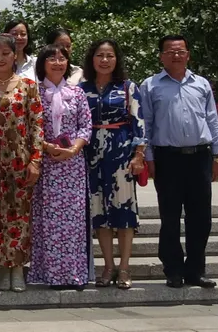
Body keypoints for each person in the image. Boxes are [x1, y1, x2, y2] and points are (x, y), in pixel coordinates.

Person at [141, 34, 218, 289]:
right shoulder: (150, 86)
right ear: (161, 56)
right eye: (170, 51)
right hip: (167, 158)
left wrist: (217, 154)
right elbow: (147, 125)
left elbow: (212, 120)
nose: (176, 55)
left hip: (199, 155)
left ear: (188, 54)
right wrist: (150, 159)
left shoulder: (201, 84)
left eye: (180, 51)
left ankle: (196, 270)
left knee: (201, 217)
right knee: (170, 216)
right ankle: (173, 269)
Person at [0, 34, 44, 292]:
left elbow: (37, 125)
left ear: (15, 55)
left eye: (5, 53)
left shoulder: (28, 86)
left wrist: (36, 161)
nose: (1, 58)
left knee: (19, 216)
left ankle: (17, 267)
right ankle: (0, 268)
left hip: (20, 159)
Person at [80, 39, 146, 290]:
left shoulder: (128, 87)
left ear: (116, 59)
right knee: (99, 213)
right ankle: (107, 266)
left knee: (124, 211)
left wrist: (138, 154)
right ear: (92, 59)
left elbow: (139, 122)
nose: (104, 60)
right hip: (91, 154)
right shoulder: (81, 88)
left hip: (121, 153)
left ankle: (125, 267)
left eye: (109, 55)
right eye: (99, 55)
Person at [28, 44, 93, 290]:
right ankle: (51, 275)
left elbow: (85, 126)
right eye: (52, 59)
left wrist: (73, 149)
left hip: (72, 165)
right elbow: (31, 126)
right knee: (49, 222)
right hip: (46, 164)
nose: (57, 63)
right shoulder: (34, 92)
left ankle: (74, 275)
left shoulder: (77, 93)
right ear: (42, 64)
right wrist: (46, 146)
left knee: (73, 222)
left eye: (62, 58)